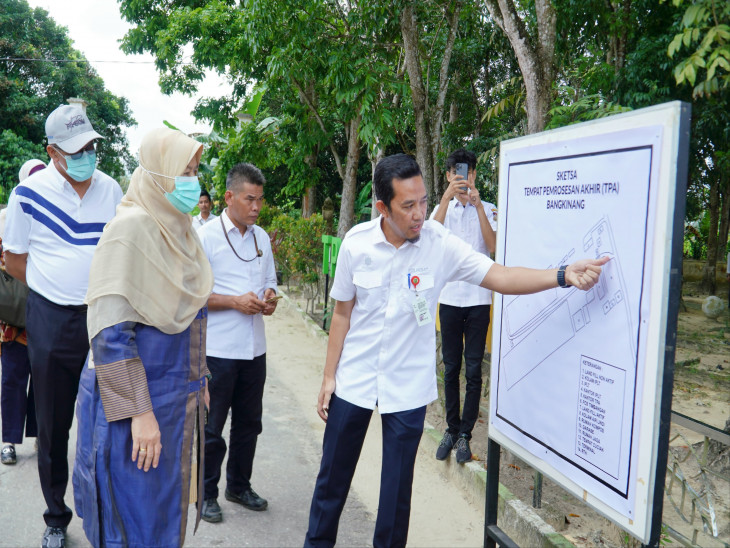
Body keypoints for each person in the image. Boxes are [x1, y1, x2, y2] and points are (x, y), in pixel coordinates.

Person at [304, 154, 608, 548]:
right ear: (382, 206)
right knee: (331, 483)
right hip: (354, 379)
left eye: (423, 201)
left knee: (395, 499)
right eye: (407, 205)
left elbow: (500, 276)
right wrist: (329, 376)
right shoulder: (356, 244)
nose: (419, 214)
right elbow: (342, 314)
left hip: (407, 389)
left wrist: (562, 274)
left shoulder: (439, 244)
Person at [72, 127, 214, 548]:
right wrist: (139, 414)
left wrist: (200, 377)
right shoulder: (130, 230)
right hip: (134, 406)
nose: (193, 182)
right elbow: (110, 333)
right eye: (183, 172)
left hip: (175, 397)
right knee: (132, 514)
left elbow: (190, 315)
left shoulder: (182, 231)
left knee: (164, 508)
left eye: (194, 170)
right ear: (156, 175)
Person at [3, 105, 122, 548]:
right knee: (54, 425)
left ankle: (107, 507)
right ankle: (56, 515)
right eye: (75, 150)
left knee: (114, 417)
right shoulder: (28, 196)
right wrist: (53, 284)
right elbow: (14, 260)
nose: (86, 155)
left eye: (91, 146)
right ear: (52, 152)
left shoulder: (111, 189)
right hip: (51, 319)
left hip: (103, 318)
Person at [197, 162, 278, 523]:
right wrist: (234, 302)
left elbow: (270, 281)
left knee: (249, 423)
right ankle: (205, 492)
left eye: (260, 200)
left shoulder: (261, 237)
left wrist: (270, 297)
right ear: (229, 197)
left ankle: (239, 485)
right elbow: (193, 295)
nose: (256, 207)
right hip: (218, 350)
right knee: (212, 426)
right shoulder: (206, 237)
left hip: (254, 349)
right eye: (250, 199)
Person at [429, 148, 497, 464]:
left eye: (468, 172)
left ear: (474, 174)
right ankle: (451, 428)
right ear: (448, 175)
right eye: (457, 172)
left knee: (473, 370)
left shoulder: (489, 208)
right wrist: (446, 199)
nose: (463, 178)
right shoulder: (442, 210)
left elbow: (494, 247)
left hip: (480, 299)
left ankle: (465, 437)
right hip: (450, 298)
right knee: (451, 366)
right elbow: (429, 238)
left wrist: (478, 204)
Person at [0, 159, 45, 466]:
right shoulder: (6, 216)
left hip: (46, 313)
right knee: (14, 380)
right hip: (15, 318)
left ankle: (44, 436)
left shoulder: (55, 216)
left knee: (46, 382)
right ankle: (9, 441)